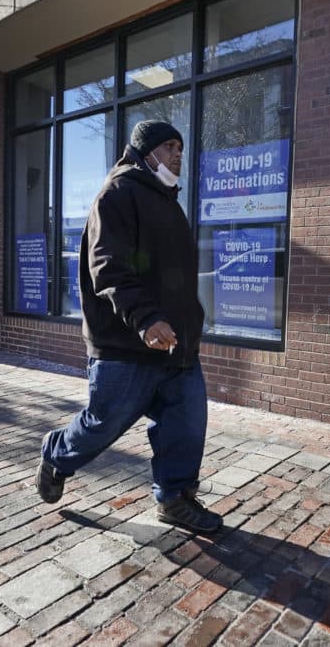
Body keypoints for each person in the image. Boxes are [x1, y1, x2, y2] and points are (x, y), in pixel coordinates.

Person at [35, 120, 222, 534]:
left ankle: (174, 498)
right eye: (169, 146)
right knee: (102, 426)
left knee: (186, 425)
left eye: (181, 146)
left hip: (178, 347)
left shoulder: (171, 203)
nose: (178, 154)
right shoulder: (117, 195)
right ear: (145, 152)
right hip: (127, 347)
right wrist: (146, 318)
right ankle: (56, 455)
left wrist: (190, 322)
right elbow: (108, 268)